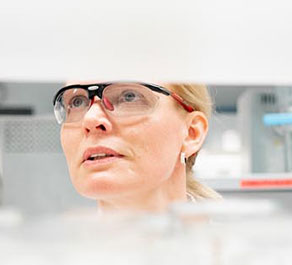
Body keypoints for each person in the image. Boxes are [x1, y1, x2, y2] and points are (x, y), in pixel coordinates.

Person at [55, 81, 220, 212]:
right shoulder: (46, 251)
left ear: (191, 133)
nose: (90, 119)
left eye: (129, 96)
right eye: (77, 102)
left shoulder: (234, 249)